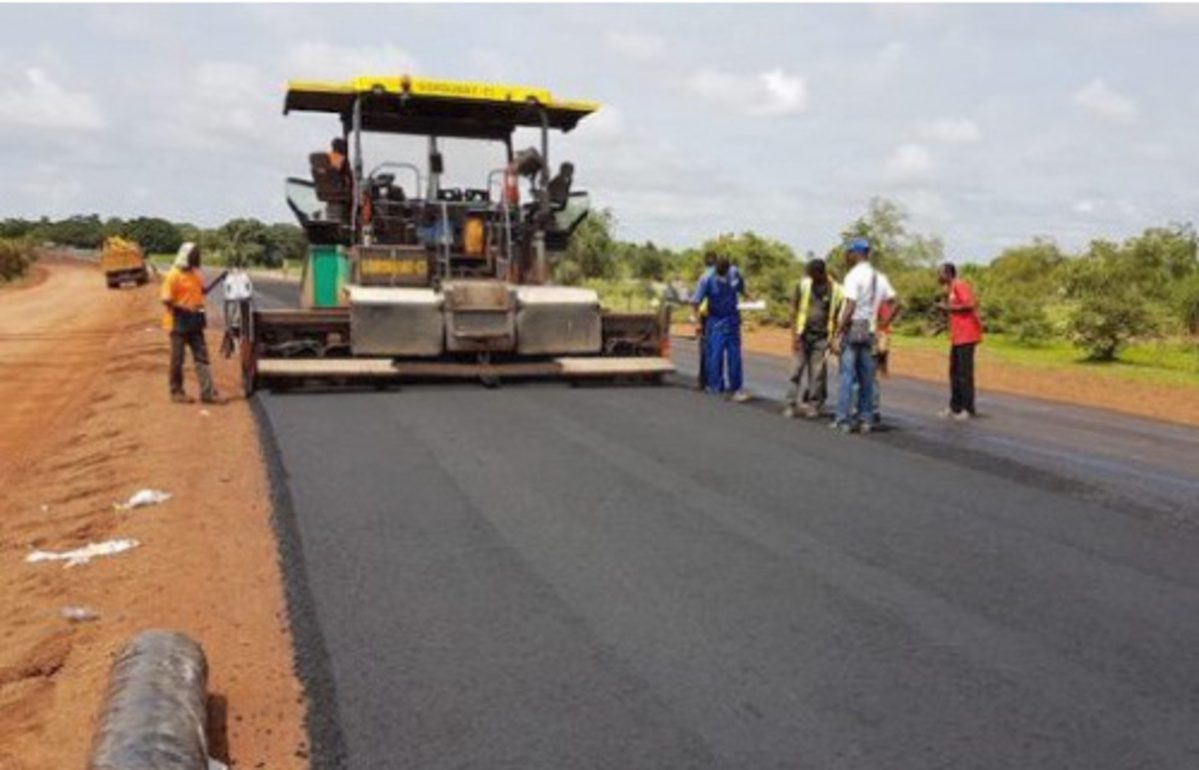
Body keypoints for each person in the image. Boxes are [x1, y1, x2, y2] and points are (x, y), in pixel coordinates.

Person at [162, 243, 226, 404]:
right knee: (178, 358)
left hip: (195, 322)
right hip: (178, 323)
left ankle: (208, 393)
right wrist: (184, 309)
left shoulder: (194, 275)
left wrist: (219, 278)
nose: (196, 259)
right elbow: (166, 300)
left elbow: (202, 291)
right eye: (194, 256)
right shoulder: (173, 275)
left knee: (202, 357)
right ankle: (176, 392)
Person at [831, 237, 880, 433]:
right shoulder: (875, 275)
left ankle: (843, 419)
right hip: (869, 327)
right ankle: (865, 419)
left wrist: (838, 331)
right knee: (866, 376)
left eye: (849, 252)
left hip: (853, 327)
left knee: (847, 374)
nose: (847, 256)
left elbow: (850, 305)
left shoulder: (852, 276)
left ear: (856, 253)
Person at [783, 259, 843, 418]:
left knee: (817, 374)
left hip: (822, 337)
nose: (811, 278)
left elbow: (837, 315)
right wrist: (794, 335)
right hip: (803, 335)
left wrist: (834, 338)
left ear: (821, 273)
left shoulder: (836, 290)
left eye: (813, 275)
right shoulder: (803, 285)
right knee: (796, 370)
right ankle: (790, 404)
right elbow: (794, 309)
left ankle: (814, 405)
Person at [691, 254, 750, 402]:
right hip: (715, 320)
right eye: (720, 272)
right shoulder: (706, 278)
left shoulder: (734, 273)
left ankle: (735, 388)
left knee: (734, 356)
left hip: (732, 319)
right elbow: (695, 302)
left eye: (725, 271)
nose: (723, 275)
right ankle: (715, 386)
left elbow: (741, 288)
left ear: (728, 268)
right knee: (715, 355)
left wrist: (749, 297)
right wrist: (698, 323)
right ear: (716, 269)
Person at [938, 261, 983, 419]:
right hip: (957, 337)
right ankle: (955, 406)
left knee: (964, 373)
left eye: (941, 273)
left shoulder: (959, 285)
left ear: (949, 274)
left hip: (967, 336)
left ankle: (968, 408)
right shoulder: (950, 289)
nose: (939, 276)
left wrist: (949, 308)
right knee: (954, 373)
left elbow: (970, 304)